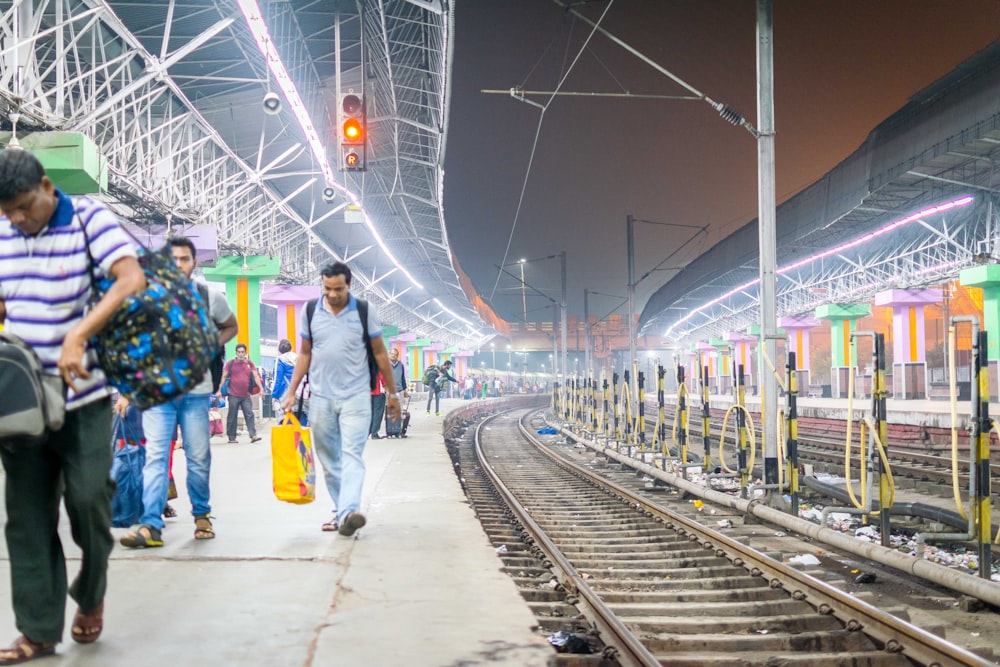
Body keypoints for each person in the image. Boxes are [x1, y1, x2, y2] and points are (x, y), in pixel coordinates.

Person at [0, 149, 146, 662]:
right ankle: (38, 630)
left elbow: (131, 279)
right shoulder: (3, 232)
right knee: (26, 517)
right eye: (6, 212)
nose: (16, 219)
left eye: (22, 206)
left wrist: (78, 336)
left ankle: (91, 591)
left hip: (83, 396)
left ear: (45, 185)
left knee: (88, 501)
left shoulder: (88, 218)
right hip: (19, 402)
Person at [117, 235, 237, 548]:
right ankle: (151, 525)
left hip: (197, 394)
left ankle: (201, 515)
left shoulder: (209, 296)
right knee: (155, 458)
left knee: (198, 458)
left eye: (184, 259)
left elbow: (231, 327)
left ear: (194, 263)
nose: (178, 265)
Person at [279, 261, 398, 536]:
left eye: (339, 289)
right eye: (328, 288)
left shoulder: (365, 311)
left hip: (356, 397)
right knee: (330, 461)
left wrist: (392, 394)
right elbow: (305, 354)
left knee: (351, 454)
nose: (332, 294)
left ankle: (348, 512)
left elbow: (380, 353)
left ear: (349, 285)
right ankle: (341, 511)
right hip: (320, 398)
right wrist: (291, 391)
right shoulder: (310, 311)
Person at [218, 343, 264, 443]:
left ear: (245, 353)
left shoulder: (250, 363)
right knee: (232, 416)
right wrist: (218, 390)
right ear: (236, 353)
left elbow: (256, 377)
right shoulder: (230, 363)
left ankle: (253, 435)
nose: (241, 354)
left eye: (243, 352)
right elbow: (224, 376)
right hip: (233, 395)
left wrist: (261, 389)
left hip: (246, 395)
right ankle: (232, 438)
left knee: (249, 414)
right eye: (239, 352)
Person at [369, 371, 386, 439]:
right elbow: (382, 377)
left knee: (370, 413)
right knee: (378, 413)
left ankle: (368, 432)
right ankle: (374, 432)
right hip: (378, 391)